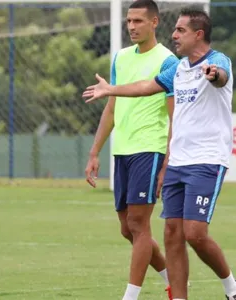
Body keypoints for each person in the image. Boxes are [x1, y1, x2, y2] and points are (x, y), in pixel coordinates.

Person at [82, 7, 236, 300]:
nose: (174, 35)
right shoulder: (179, 69)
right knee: (172, 233)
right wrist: (111, 90)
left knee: (195, 233)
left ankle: (232, 287)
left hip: (207, 160)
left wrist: (213, 74)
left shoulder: (218, 61)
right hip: (179, 162)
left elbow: (220, 76)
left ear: (198, 35)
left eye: (180, 30)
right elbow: (147, 86)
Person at [84, 0, 179, 299]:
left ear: (154, 22)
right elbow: (112, 107)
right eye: (129, 21)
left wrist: (166, 162)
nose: (132, 27)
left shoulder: (168, 62)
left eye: (138, 21)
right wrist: (94, 152)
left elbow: (175, 116)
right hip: (122, 151)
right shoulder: (121, 58)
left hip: (149, 149)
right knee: (128, 229)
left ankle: (130, 296)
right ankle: (175, 282)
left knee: (139, 223)